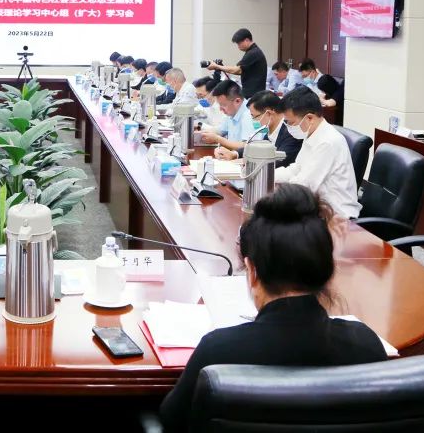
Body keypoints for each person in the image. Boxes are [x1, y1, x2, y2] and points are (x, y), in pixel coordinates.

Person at [159, 184, 387, 432]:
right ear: (327, 271)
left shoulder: (217, 352)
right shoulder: (366, 346)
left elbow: (171, 420)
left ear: (252, 271)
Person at [274, 87, 360, 219]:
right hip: (317, 208)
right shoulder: (312, 133)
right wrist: (268, 176)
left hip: (337, 216)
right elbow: (296, 169)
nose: (289, 127)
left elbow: (305, 185)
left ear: (309, 118)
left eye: (291, 122)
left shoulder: (327, 142)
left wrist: (276, 190)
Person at [216, 91, 301, 167]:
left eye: (255, 117)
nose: (254, 121)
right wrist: (234, 154)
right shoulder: (270, 129)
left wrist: (247, 162)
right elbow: (257, 149)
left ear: (269, 114)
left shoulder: (290, 131)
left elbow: (280, 161)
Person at [206, 28, 267, 98]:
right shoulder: (252, 52)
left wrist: (217, 66)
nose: (238, 46)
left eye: (239, 43)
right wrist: (219, 67)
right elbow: (238, 69)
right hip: (253, 93)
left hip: (253, 94)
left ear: (247, 40)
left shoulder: (253, 53)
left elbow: (237, 70)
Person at [198, 80, 256, 150]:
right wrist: (200, 134)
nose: (220, 109)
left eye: (223, 105)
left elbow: (246, 146)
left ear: (237, 101)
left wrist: (218, 139)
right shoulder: (232, 112)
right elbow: (220, 130)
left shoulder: (249, 114)